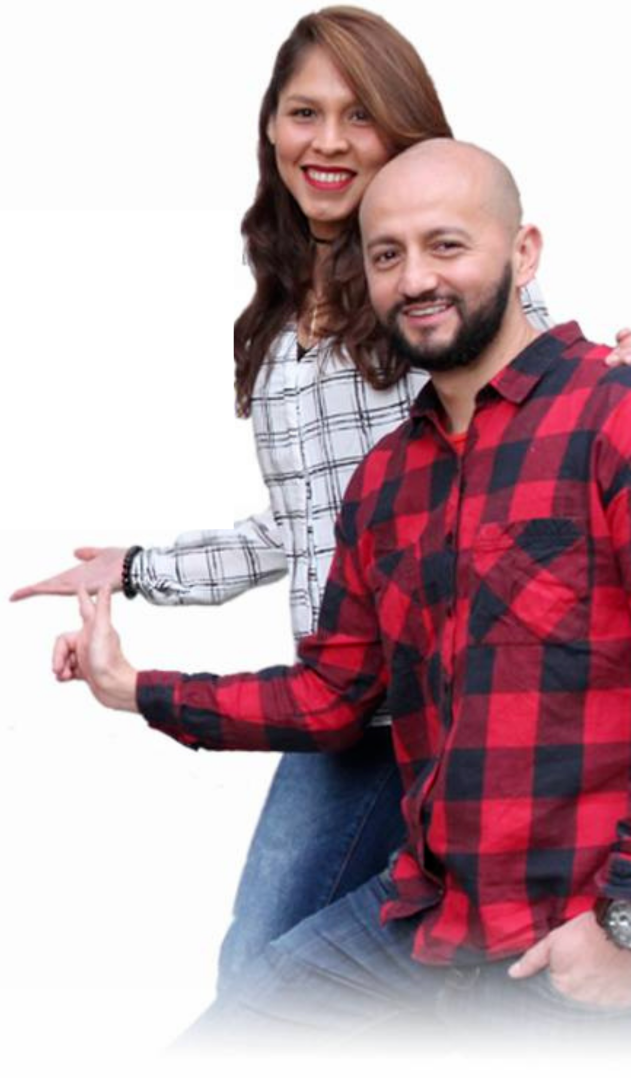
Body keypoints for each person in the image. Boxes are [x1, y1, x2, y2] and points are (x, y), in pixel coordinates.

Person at [12, 6, 631, 997]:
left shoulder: (443, 298)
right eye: (305, 113)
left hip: (463, 704)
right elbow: (300, 525)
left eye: (360, 114)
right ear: (271, 128)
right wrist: (139, 570)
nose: (329, 142)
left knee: (306, 977)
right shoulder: (283, 328)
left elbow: (534, 410)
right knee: (273, 976)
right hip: (339, 692)